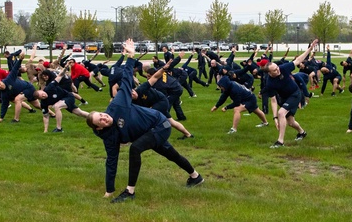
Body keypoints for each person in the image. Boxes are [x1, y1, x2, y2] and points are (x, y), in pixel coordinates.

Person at [86, 39, 203, 203]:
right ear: (99, 129)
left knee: (135, 149)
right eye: (101, 121)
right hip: (149, 132)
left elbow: (126, 78)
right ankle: (195, 176)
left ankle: (130, 191)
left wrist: (131, 56)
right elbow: (111, 161)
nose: (105, 117)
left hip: (159, 124)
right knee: (171, 154)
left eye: (102, 115)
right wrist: (108, 190)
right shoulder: (109, 137)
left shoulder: (118, 105)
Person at [262, 39, 316, 148]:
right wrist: (274, 118)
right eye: (274, 71)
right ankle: (302, 132)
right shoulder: (269, 83)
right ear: (269, 73)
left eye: (277, 68)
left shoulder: (283, 68)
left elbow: (298, 60)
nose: (278, 71)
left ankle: (280, 141)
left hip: (295, 94)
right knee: (290, 122)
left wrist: (309, 49)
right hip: (284, 98)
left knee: (282, 113)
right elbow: (273, 100)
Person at [212, 67, 269, 134]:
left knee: (237, 109)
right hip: (249, 98)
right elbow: (223, 97)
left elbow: (236, 103)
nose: (220, 87)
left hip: (250, 99)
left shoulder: (234, 89)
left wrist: (226, 107)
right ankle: (265, 123)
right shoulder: (229, 86)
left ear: (225, 85)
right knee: (256, 110)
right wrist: (216, 106)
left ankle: (234, 129)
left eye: (221, 86)